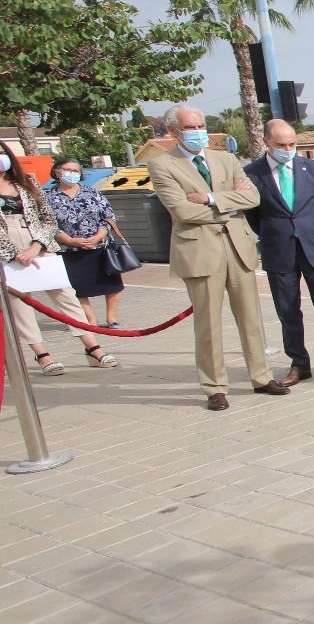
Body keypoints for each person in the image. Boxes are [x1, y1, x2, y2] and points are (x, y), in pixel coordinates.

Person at [146, 104, 289, 410]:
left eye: (201, 126)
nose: (199, 133)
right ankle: (215, 386)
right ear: (173, 131)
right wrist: (230, 206)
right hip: (199, 251)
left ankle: (261, 377)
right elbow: (182, 211)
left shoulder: (225, 159)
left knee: (251, 317)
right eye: (191, 128)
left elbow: (253, 197)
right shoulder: (163, 166)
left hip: (237, 248)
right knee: (208, 323)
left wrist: (211, 199)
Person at [245, 119, 314, 385]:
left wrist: (311, 230)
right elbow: (252, 215)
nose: (288, 149)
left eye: (292, 144)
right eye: (281, 144)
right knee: (288, 310)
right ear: (266, 142)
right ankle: (299, 364)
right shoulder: (252, 173)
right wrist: (277, 233)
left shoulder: (313, 168)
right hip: (279, 251)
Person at [0, 142, 117, 372]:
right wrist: (14, 253)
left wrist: (36, 245)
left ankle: (92, 347)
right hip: (7, 249)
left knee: (66, 295)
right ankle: (42, 354)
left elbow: (48, 218)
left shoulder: (27, 182)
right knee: (19, 303)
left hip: (38, 242)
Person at [45, 156, 127, 329]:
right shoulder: (48, 197)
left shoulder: (92, 192)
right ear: (57, 172)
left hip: (100, 246)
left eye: (76, 171)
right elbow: (46, 223)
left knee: (113, 284)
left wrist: (98, 236)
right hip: (69, 249)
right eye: (68, 170)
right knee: (77, 287)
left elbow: (108, 216)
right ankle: (89, 319)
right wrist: (69, 240)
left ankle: (112, 318)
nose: (72, 174)